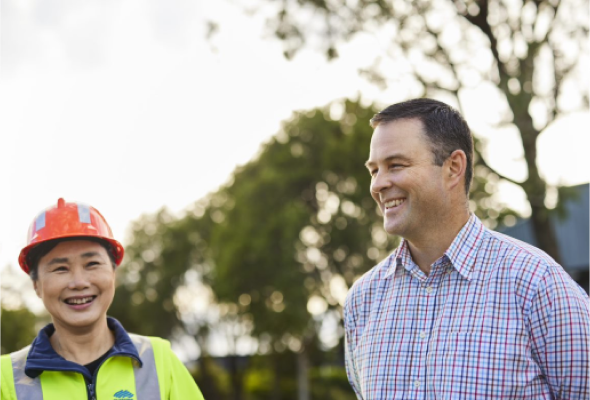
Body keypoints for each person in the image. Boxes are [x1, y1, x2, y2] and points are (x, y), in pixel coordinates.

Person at [344, 98, 590, 399]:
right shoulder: (362, 301)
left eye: (395, 165)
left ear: (454, 167)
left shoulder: (538, 285)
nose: (378, 184)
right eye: (374, 170)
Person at [0, 198, 205, 399]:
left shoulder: (159, 360)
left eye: (92, 264)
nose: (79, 282)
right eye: (60, 268)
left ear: (113, 274)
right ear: (36, 284)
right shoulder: (6, 379)